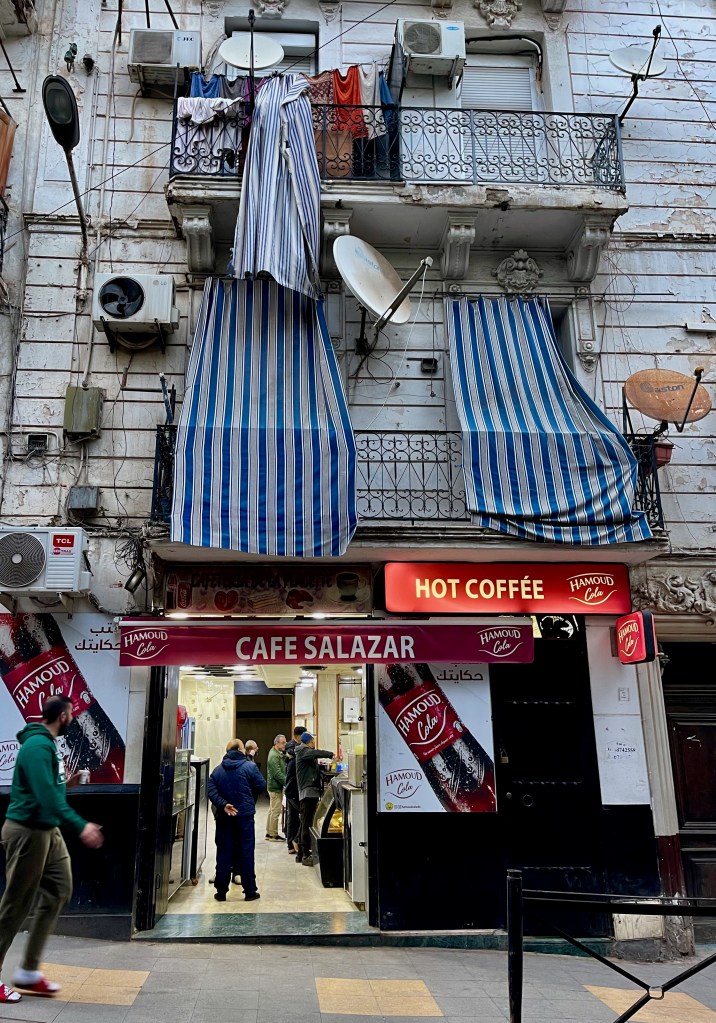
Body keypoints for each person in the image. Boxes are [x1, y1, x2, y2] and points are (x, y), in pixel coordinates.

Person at [0, 695, 104, 1004]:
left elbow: (49, 787)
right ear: (63, 716)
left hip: (47, 829)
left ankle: (29, 972)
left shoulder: (49, 745)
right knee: (15, 905)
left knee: (59, 889)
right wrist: (81, 825)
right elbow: (44, 796)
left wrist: (69, 782)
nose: (74, 717)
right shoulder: (36, 746)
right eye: (72, 713)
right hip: (27, 830)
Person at [208, 738, 266, 902]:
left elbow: (211, 791)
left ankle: (221, 892)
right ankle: (250, 891)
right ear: (241, 751)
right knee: (246, 852)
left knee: (224, 852)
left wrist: (223, 804)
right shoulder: (250, 767)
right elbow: (261, 786)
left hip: (224, 818)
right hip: (244, 817)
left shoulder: (217, 771)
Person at [294, 732, 334, 867]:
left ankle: (301, 854)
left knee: (305, 822)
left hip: (310, 791)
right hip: (308, 792)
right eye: (313, 741)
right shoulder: (303, 751)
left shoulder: (304, 752)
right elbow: (315, 753)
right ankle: (305, 854)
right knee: (307, 823)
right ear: (310, 742)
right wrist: (330, 754)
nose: (314, 744)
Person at [283, 726, 305, 856]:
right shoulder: (295, 750)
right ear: (298, 737)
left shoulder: (291, 749)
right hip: (293, 789)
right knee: (299, 816)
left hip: (290, 788)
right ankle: (295, 841)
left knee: (292, 817)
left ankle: (291, 844)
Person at [265, 734, 286, 842]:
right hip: (275, 787)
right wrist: (287, 782)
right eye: (283, 743)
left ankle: (269, 833)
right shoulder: (274, 756)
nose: (284, 745)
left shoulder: (276, 753)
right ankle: (273, 835)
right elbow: (277, 774)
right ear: (277, 743)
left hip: (273, 786)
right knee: (276, 812)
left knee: (272, 810)